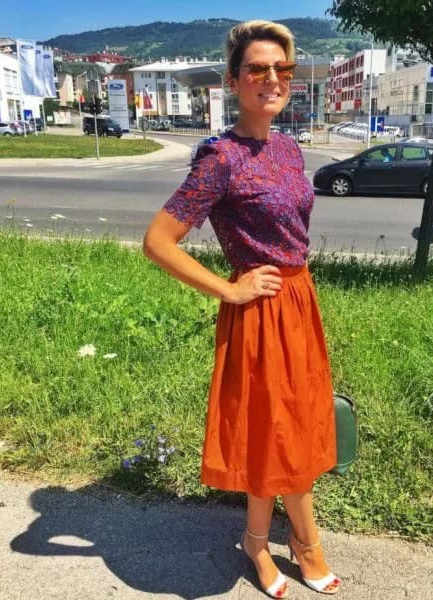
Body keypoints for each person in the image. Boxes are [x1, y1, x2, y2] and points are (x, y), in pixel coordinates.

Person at [143, 20, 340, 598]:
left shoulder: (288, 145)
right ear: (233, 81)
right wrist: (229, 290)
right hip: (260, 311)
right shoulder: (220, 158)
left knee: (294, 429)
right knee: (273, 433)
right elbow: (158, 241)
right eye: (258, 68)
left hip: (300, 303)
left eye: (282, 69)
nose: (272, 79)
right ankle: (297, 542)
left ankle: (263, 540)